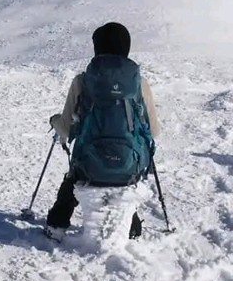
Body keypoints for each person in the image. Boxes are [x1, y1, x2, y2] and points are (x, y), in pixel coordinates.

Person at [44, 22, 160, 240]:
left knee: (74, 176)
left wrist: (54, 120)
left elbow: (67, 128)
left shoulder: (83, 81)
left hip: (90, 167)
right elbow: (153, 130)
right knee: (127, 173)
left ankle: (57, 224)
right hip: (129, 167)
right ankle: (131, 227)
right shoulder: (139, 83)